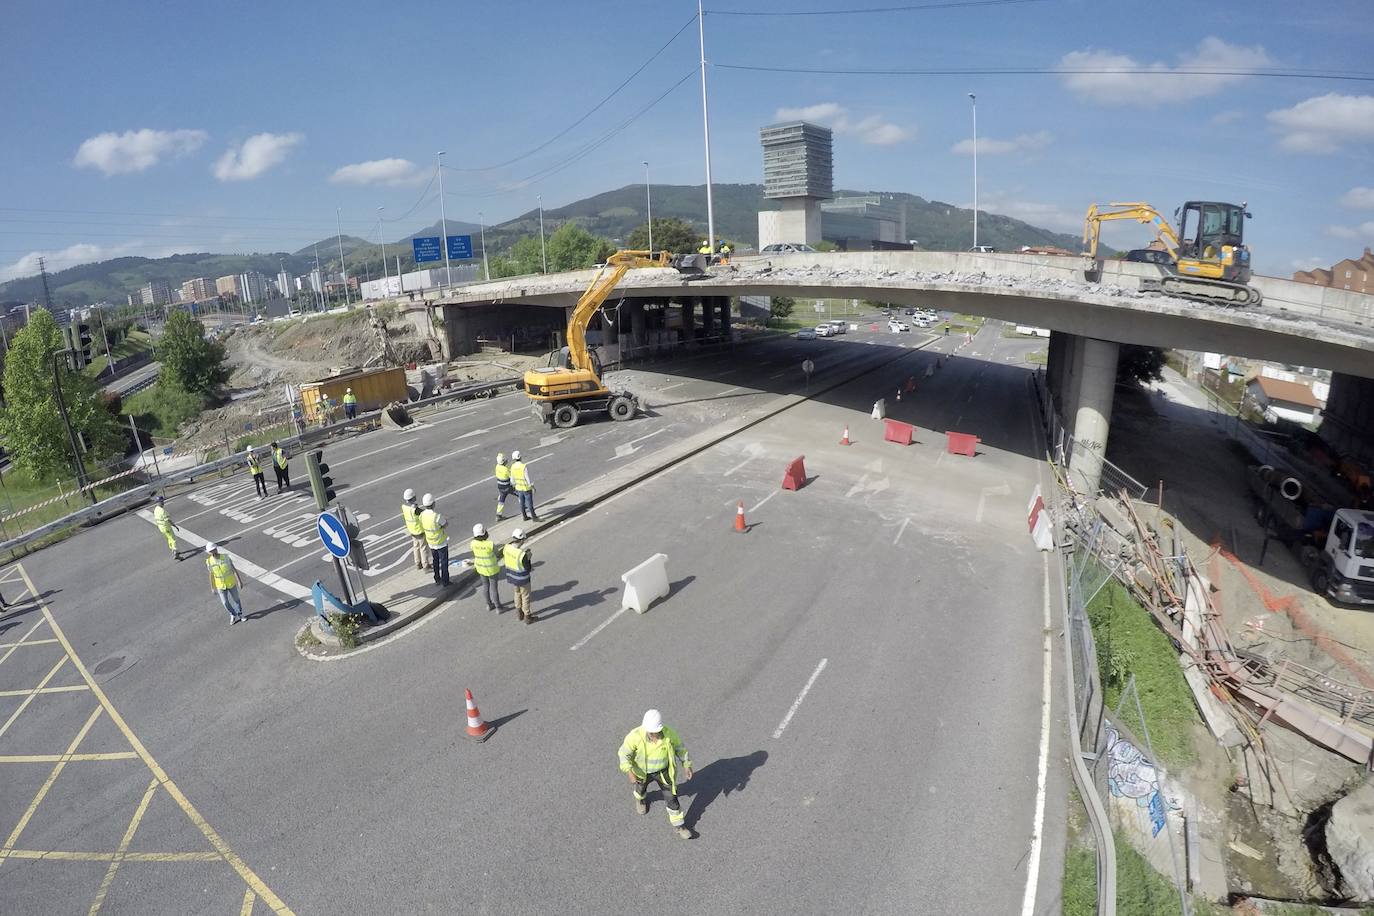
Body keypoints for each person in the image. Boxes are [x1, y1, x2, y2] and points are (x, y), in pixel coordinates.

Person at [618, 709, 694, 840]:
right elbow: (624, 754)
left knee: (672, 798)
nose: (654, 735)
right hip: (642, 772)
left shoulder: (669, 734)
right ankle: (641, 799)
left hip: (663, 772)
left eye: (656, 732)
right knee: (640, 789)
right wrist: (629, 772)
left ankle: (679, 826)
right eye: (651, 732)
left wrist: (686, 764)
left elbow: (680, 748)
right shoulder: (635, 736)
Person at [205, 543, 245, 625]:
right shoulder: (209, 562)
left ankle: (240, 614)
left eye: (214, 549)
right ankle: (233, 614)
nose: (213, 552)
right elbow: (211, 575)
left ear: (216, 549)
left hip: (230, 583)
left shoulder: (225, 557)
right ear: (209, 552)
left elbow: (233, 569)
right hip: (220, 585)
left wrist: (239, 581)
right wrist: (212, 588)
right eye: (211, 551)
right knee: (225, 603)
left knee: (236, 600)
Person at [502, 528, 534, 623]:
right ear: (522, 540)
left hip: (512, 577)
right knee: (525, 596)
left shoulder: (506, 548)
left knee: (517, 593)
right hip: (522, 579)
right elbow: (528, 568)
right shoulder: (522, 554)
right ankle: (527, 616)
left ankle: (519, 613)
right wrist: (528, 558)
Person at [419, 493, 450, 586]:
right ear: (433, 504)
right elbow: (445, 525)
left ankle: (437, 578)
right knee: (444, 563)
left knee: (435, 561)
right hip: (441, 542)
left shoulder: (422, 515)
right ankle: (445, 581)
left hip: (431, 542)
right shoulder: (437, 516)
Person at [470, 523, 502, 611]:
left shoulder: (473, 543)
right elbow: (497, 554)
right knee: (494, 589)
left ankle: (489, 605)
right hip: (492, 569)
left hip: (481, 568)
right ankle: (498, 607)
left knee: (485, 587)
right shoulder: (490, 544)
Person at [401, 488, 430, 572]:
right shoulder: (415, 510)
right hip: (419, 530)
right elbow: (423, 513)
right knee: (423, 547)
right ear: (413, 497)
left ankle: (418, 563)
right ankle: (426, 565)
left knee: (416, 547)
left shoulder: (405, 507)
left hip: (412, 530)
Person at [509, 450, 538, 522]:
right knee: (529, 503)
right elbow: (527, 479)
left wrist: (515, 485)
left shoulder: (512, 467)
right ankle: (534, 517)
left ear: (513, 459)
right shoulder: (523, 466)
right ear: (520, 457)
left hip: (518, 488)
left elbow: (512, 480)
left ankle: (524, 516)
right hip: (526, 488)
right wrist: (532, 487)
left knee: (522, 503)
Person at [152, 495, 183, 560]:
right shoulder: (162, 511)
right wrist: (175, 526)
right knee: (173, 539)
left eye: (163, 501)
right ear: (158, 502)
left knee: (169, 539)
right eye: (162, 501)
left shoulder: (156, 509)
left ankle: (173, 550)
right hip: (166, 527)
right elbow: (168, 520)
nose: (163, 502)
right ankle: (175, 552)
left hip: (161, 528)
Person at [494, 452, 512, 521]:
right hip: (507, 486)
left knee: (501, 500)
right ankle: (525, 507)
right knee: (519, 493)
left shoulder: (497, 467)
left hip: (500, 486)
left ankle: (498, 515)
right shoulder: (505, 469)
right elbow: (511, 477)